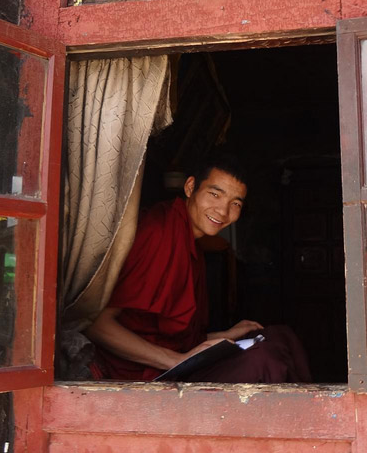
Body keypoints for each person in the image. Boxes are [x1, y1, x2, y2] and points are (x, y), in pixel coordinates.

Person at [85, 154, 311, 383]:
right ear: (190, 187)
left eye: (235, 204)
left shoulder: (192, 244)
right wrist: (176, 361)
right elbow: (95, 325)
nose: (223, 211)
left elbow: (171, 333)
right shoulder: (158, 232)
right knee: (263, 362)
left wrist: (223, 336)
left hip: (175, 360)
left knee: (279, 336)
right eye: (215, 194)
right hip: (145, 372)